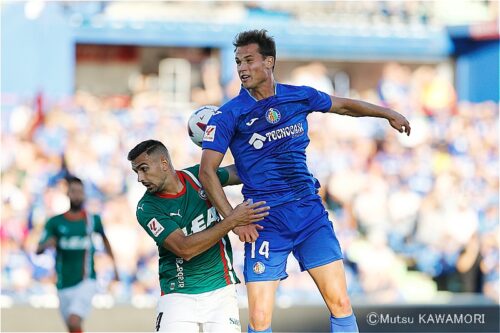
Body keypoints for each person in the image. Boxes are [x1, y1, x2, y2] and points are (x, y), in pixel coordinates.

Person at [199, 29, 411, 333]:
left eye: (248, 60)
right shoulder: (228, 115)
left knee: (340, 303)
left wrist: (387, 112)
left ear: (269, 61)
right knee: (259, 319)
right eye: (237, 62)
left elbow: (345, 106)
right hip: (264, 220)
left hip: (309, 213)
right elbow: (208, 172)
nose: (242, 68)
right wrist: (234, 220)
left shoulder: (299, 96)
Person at [127, 139, 269, 332]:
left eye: (143, 169)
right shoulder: (147, 208)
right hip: (178, 294)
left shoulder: (198, 176)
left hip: (220, 290)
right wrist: (232, 220)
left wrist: (269, 158)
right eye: (136, 172)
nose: (140, 178)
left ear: (164, 163)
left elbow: (238, 172)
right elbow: (185, 249)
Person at [36, 176, 119, 333]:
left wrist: (115, 269)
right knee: (72, 326)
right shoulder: (55, 222)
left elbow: (105, 240)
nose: (77, 195)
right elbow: (38, 249)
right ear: (68, 194)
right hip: (63, 283)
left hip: (86, 281)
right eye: (73, 192)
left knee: (74, 320)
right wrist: (48, 244)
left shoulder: (92, 220)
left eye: (80, 192)